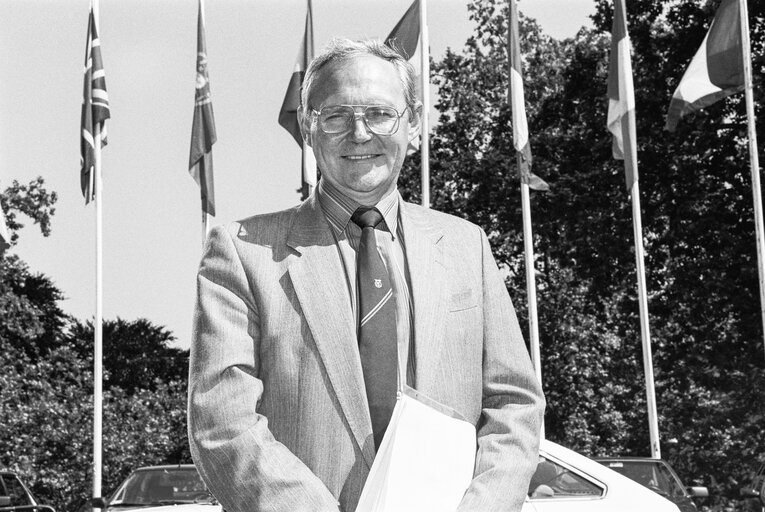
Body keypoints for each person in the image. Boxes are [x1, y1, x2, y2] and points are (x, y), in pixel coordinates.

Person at [187, 37, 545, 512]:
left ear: (414, 125)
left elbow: (514, 406)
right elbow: (222, 422)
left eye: (379, 113)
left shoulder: (466, 246)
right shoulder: (241, 252)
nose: (359, 133)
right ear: (308, 129)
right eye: (335, 116)